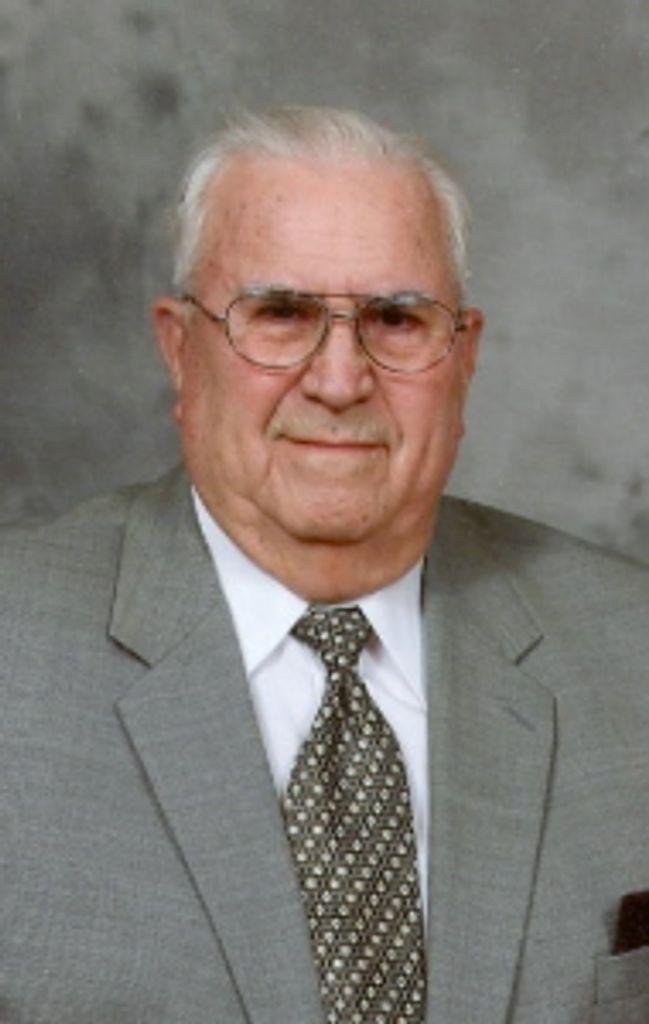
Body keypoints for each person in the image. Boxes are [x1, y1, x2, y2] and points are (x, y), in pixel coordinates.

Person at [0, 106, 647, 1024]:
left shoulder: (632, 653)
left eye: (396, 320)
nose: (339, 381)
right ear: (180, 350)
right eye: (279, 314)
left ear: (464, 358)